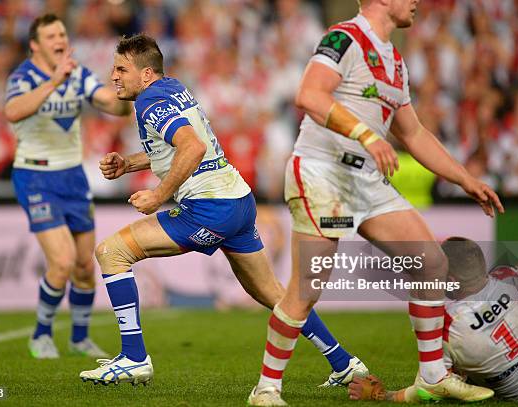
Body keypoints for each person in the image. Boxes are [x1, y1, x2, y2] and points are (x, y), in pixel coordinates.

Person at [247, 0, 506, 405]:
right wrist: (367, 136)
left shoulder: (396, 61)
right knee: (308, 285)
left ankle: (433, 376)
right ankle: (266, 389)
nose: (416, 2)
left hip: (367, 179)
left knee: (430, 261)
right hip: (324, 172)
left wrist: (464, 178)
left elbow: (414, 133)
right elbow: (310, 95)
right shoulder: (343, 37)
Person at [78, 33, 368, 386]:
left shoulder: (150, 101)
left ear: (147, 74)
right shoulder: (171, 88)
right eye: (114, 69)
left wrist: (158, 195)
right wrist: (127, 164)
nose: (114, 76)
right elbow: (173, 150)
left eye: (122, 69)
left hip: (209, 207)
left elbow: (193, 147)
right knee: (272, 293)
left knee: (112, 252)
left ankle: (134, 358)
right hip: (238, 200)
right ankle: (343, 362)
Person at [4, 13, 132, 359]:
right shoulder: (23, 78)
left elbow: (113, 107)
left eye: (62, 33)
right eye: (51, 36)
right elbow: (14, 112)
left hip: (72, 175)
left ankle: (79, 338)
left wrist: (130, 92)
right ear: (35, 45)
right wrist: (54, 82)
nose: (60, 39)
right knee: (60, 263)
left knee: (84, 267)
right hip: (35, 176)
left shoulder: (78, 74)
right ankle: (41, 335)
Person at [348, 237, 518, 403]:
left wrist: (383, 396)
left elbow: (428, 389)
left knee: (452, 368)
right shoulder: (509, 276)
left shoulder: (447, 325)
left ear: (451, 281)